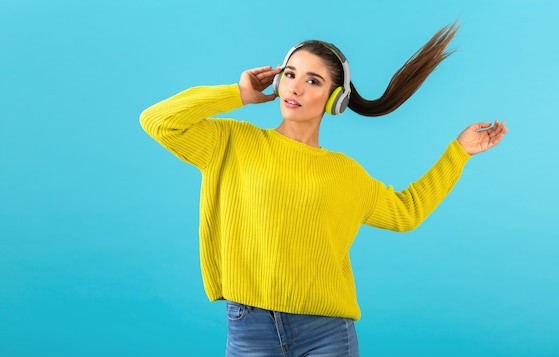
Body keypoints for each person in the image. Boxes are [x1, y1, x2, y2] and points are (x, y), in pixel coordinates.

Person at [140, 22, 507, 357]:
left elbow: (406, 212)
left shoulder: (345, 172)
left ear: (335, 99)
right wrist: (237, 94)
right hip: (249, 326)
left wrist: (458, 153)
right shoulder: (230, 142)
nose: (295, 87)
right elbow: (158, 122)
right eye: (290, 74)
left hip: (327, 333)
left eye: (313, 81)